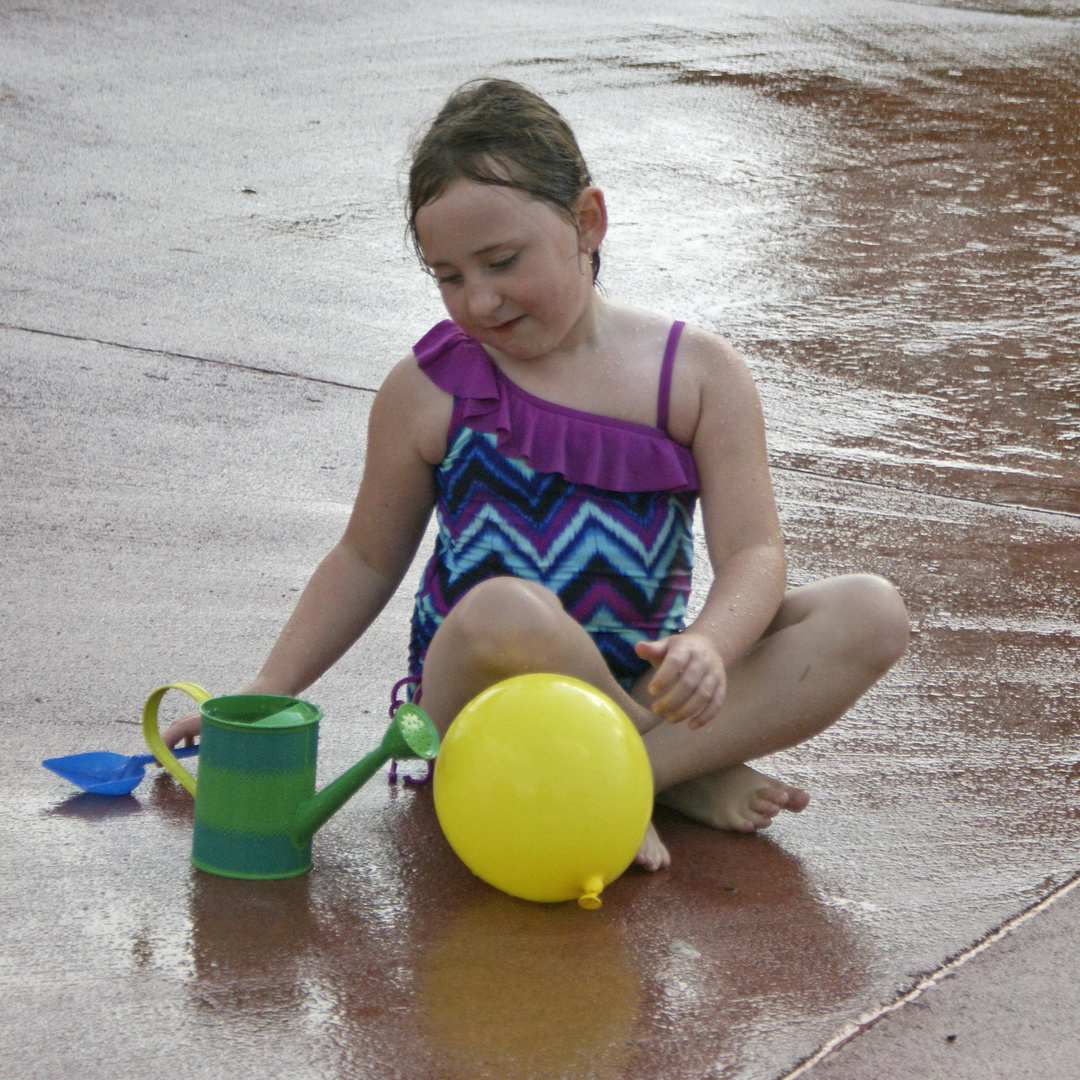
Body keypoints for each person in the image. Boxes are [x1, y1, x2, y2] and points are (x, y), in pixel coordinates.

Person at [164, 78, 910, 871]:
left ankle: (636, 775)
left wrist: (709, 646)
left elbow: (755, 552)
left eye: (501, 261)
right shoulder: (427, 389)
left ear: (586, 222)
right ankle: (664, 770)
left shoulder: (697, 375)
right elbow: (365, 558)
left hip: (637, 683)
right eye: (448, 276)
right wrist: (268, 689)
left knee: (871, 611)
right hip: (482, 697)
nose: (478, 300)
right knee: (505, 610)